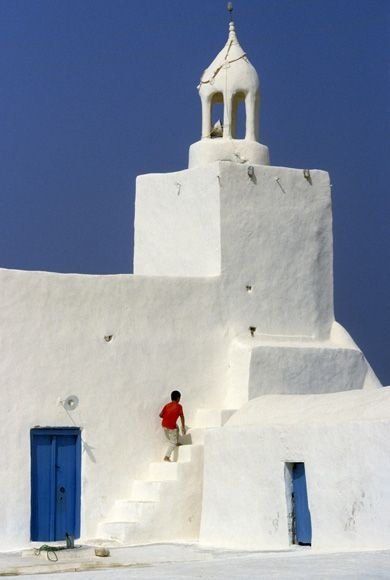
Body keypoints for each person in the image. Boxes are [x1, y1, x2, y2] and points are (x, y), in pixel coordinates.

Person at [159, 390, 186, 462]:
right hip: (171, 427)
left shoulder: (167, 405)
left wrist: (167, 417)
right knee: (172, 443)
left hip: (164, 425)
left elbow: (160, 415)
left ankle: (176, 441)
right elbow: (182, 417)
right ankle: (167, 457)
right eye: (179, 398)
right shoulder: (179, 406)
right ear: (178, 398)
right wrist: (183, 426)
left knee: (176, 427)